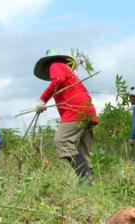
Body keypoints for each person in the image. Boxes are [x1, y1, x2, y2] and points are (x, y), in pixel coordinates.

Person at [34, 49, 98, 180]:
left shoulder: (55, 65)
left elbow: (57, 79)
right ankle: (91, 183)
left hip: (76, 110)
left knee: (62, 141)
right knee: (83, 150)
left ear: (47, 64)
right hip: (87, 109)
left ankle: (85, 178)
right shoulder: (69, 72)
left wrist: (42, 100)